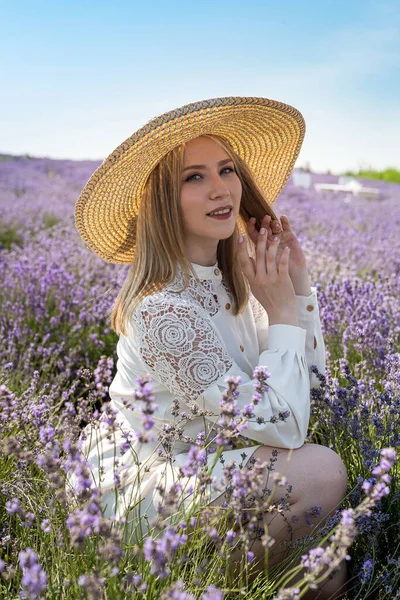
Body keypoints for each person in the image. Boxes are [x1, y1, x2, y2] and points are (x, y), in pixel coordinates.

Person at [74, 97, 348, 598]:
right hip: (145, 488)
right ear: (162, 200)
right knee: (320, 470)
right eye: (193, 177)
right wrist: (283, 312)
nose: (221, 187)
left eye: (226, 169)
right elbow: (285, 427)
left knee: (324, 554)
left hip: (206, 469)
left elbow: (310, 387)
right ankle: (214, 586)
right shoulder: (161, 309)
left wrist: (298, 287)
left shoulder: (234, 279)